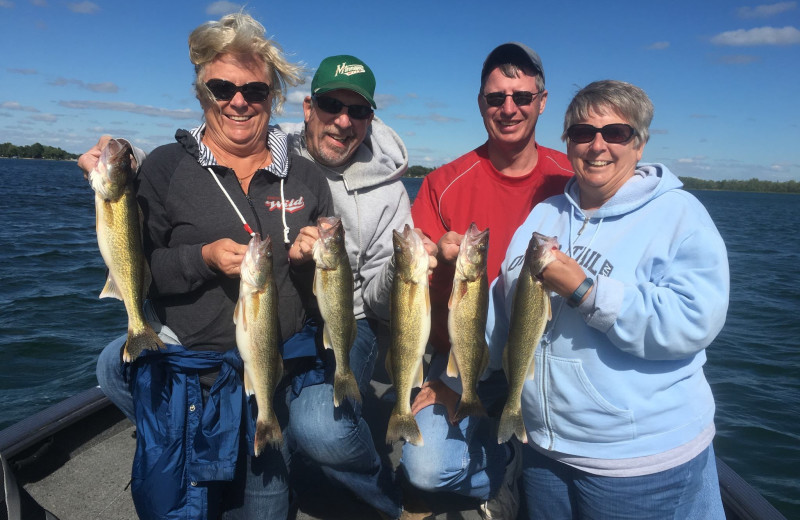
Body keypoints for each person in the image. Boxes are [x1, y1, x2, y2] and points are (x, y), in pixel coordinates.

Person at [79, 13, 334, 519]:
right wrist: (201, 259)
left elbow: (318, 300)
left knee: (264, 510)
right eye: (222, 87)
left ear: (273, 98)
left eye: (255, 92)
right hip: (190, 374)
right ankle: (183, 429)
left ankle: (264, 443)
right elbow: (142, 266)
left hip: (269, 373)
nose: (239, 101)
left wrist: (313, 262)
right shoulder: (166, 169)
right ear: (202, 94)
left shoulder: (307, 178)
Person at [486, 79, 729, 519]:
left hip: (637, 465)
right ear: (567, 142)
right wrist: (452, 377)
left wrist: (586, 290)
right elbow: (504, 306)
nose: (597, 145)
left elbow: (693, 321)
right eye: (581, 133)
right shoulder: (546, 214)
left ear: (639, 144)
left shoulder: (679, 214)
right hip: (544, 448)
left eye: (615, 133)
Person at [404, 42, 573, 518]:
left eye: (521, 97)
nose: (508, 108)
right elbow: (411, 288)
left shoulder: (572, 178)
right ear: (481, 104)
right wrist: (434, 255)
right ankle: (501, 467)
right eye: (496, 97)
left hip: (549, 356)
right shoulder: (443, 182)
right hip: (464, 358)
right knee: (424, 467)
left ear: (542, 101)